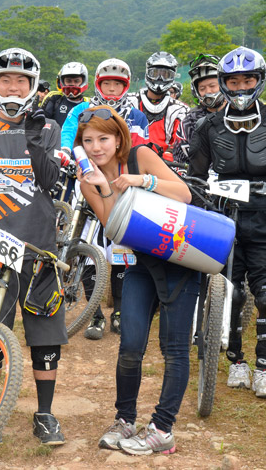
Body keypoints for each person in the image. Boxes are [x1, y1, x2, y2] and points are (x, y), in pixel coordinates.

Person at [73, 105, 199, 455]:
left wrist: (140, 181)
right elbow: (116, 228)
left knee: (174, 349)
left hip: (179, 257)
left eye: (104, 138)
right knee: (130, 345)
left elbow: (184, 194)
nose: (97, 147)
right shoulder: (88, 181)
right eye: (88, 141)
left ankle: (162, 429)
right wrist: (103, 188)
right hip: (141, 262)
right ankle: (125, 418)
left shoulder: (140, 156)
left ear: (118, 138)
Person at [0, 47, 67, 446]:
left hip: (39, 244)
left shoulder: (47, 127)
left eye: (20, 81)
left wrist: (34, 141)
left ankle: (45, 414)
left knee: (44, 332)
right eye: (5, 79)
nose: (12, 86)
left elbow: (50, 182)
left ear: (32, 85)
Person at [188, 47, 266, 398]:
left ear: (259, 81)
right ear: (222, 83)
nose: (240, 87)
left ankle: (263, 366)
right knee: (230, 293)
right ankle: (236, 360)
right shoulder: (208, 126)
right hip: (225, 219)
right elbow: (195, 177)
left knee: (265, 293)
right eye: (233, 81)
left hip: (264, 219)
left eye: (247, 79)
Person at [60, 58, 150, 340]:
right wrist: (65, 152)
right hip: (86, 180)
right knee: (89, 246)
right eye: (106, 83)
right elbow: (67, 135)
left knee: (122, 248)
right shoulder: (80, 109)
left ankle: (120, 311)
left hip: (121, 184)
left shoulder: (136, 114)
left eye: (117, 84)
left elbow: (141, 146)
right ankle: (94, 314)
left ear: (125, 86)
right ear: (98, 84)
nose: (111, 89)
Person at [126, 52, 188, 153]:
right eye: (155, 74)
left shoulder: (180, 110)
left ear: (173, 77)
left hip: (164, 163)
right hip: (128, 159)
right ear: (147, 73)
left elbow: (180, 145)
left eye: (166, 75)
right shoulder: (128, 102)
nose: (160, 78)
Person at [172, 54, 225, 163]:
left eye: (212, 86)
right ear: (196, 91)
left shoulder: (237, 115)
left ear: (223, 85)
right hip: (199, 178)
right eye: (202, 88)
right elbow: (179, 160)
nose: (208, 91)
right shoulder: (190, 122)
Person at [41, 62, 89, 127]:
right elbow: (41, 123)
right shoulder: (54, 98)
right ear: (63, 82)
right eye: (68, 81)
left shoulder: (89, 104)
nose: (72, 84)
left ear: (84, 82)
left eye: (76, 81)